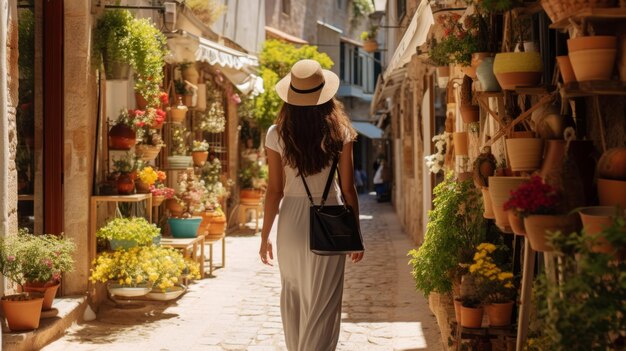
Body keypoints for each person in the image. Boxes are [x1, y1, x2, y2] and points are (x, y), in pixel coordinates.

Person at [259, 59, 364, 351]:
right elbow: (348, 189)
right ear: (325, 95)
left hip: (290, 223)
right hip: (330, 220)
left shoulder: (275, 134)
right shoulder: (341, 132)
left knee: (293, 297)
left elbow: (274, 191)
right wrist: (355, 234)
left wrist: (265, 235)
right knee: (325, 303)